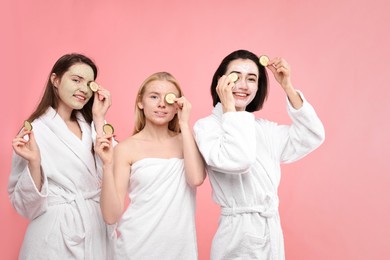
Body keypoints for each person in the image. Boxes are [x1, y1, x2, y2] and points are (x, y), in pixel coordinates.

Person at [193, 49, 325, 260]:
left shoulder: (264, 129)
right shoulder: (207, 127)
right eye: (235, 77)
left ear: (258, 86)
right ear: (221, 82)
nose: (243, 85)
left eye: (252, 79)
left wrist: (287, 86)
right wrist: (228, 107)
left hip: (271, 229)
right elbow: (239, 159)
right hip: (237, 234)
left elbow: (313, 135)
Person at [8, 53, 113, 259]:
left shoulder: (93, 126)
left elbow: (113, 177)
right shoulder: (34, 131)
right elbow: (25, 205)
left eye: (89, 83)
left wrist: (100, 118)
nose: (83, 89)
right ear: (55, 80)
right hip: (53, 235)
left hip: (95, 228)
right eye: (76, 80)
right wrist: (35, 163)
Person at [95, 71, 206, 260]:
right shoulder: (125, 148)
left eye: (169, 100)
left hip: (180, 251)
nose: (162, 104)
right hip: (135, 248)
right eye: (154, 97)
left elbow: (196, 179)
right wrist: (107, 165)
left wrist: (185, 124)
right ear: (140, 102)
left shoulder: (187, 141)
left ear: (177, 106)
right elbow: (111, 216)